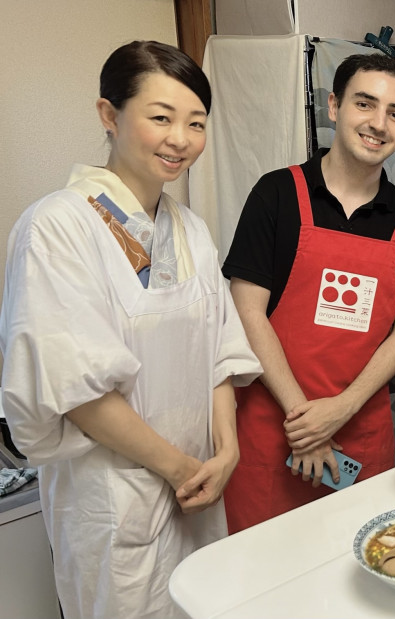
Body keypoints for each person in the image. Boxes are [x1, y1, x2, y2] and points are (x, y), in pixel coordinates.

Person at [0, 41, 261, 619]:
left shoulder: (191, 229)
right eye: (161, 118)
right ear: (109, 116)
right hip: (113, 500)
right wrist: (183, 469)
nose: (180, 139)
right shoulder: (56, 228)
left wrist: (227, 450)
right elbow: (79, 391)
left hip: (200, 487)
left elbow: (220, 351)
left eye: (196, 123)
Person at [222, 53, 395, 532]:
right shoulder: (275, 195)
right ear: (334, 106)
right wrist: (306, 425)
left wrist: (341, 409)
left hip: (359, 428)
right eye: (365, 103)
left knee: (357, 574)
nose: (379, 124)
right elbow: (248, 311)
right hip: (273, 431)